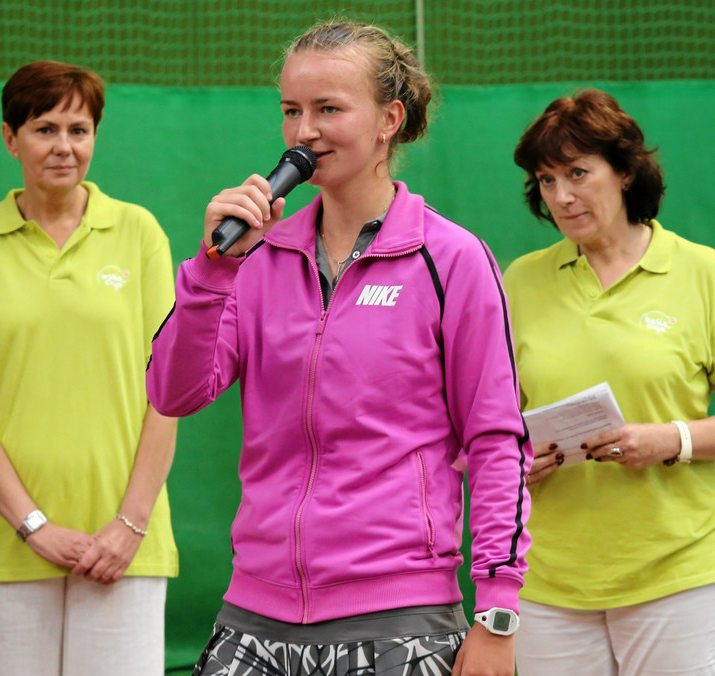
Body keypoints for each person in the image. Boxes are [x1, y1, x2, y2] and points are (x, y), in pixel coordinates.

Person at [147, 20, 531, 676]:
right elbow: (174, 392)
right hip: (254, 615)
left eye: (328, 109)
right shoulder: (256, 256)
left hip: (400, 619)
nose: (303, 133)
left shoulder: (452, 259)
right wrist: (213, 271)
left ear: (389, 118)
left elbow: (496, 441)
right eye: (291, 111)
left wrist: (498, 611)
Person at [503, 89, 715, 676]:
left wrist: (672, 440)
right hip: (545, 579)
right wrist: (516, 459)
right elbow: (492, 420)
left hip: (677, 576)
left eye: (578, 172)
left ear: (626, 172)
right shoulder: (518, 283)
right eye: (547, 180)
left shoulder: (708, 276)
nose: (563, 196)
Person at [0, 60, 179, 676]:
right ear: (11, 138)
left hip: (125, 547)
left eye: (79, 129)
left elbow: (167, 393)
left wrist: (129, 526)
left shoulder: (140, 232)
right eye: (45, 129)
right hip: (4, 547)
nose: (64, 147)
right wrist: (35, 526)